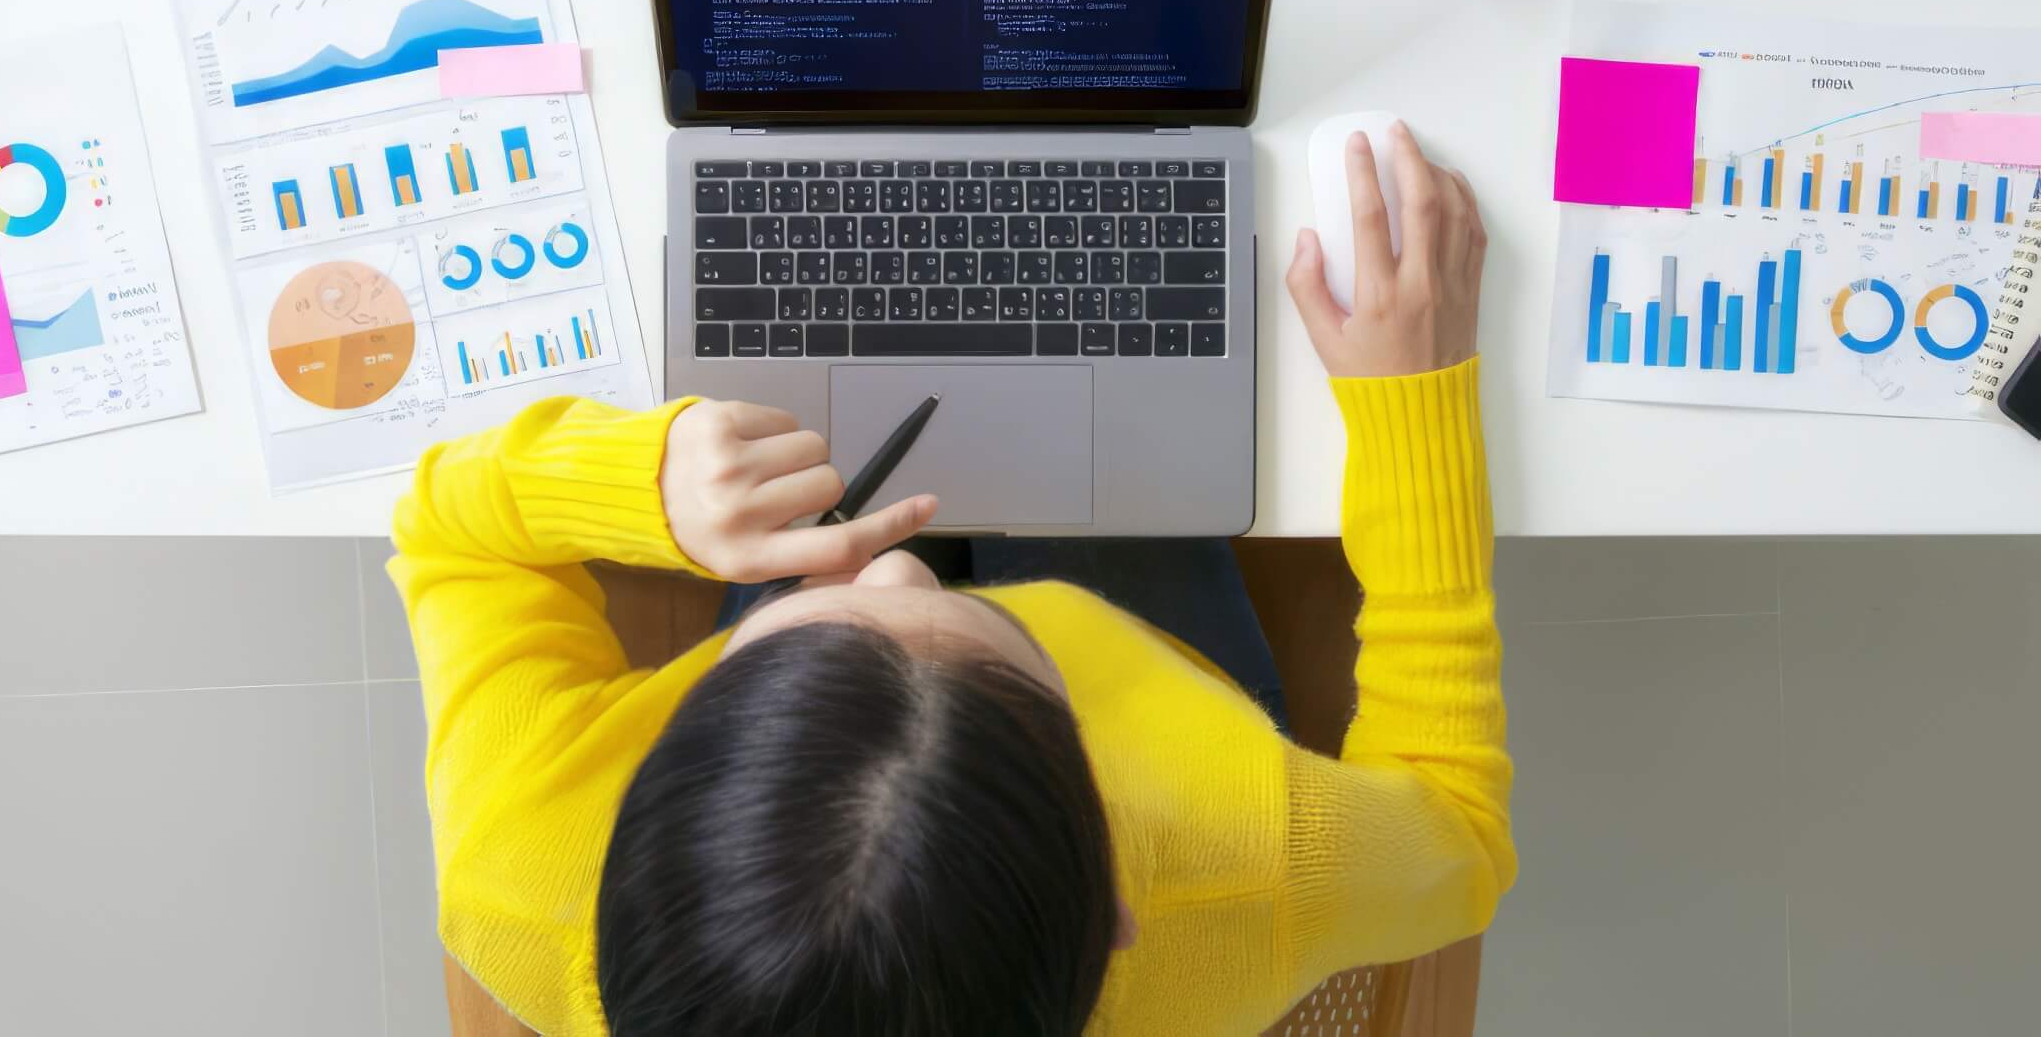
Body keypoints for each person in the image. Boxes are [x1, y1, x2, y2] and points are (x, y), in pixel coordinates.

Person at [390, 124, 1514, 1037]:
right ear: (1118, 906)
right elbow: (1459, 828)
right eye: (978, 634)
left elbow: (447, 528)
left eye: (795, 639)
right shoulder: (1250, 861)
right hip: (1184, 715)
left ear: (643, 801)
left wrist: (643, 482)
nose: (894, 560)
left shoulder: (519, 860)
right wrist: (1418, 406)